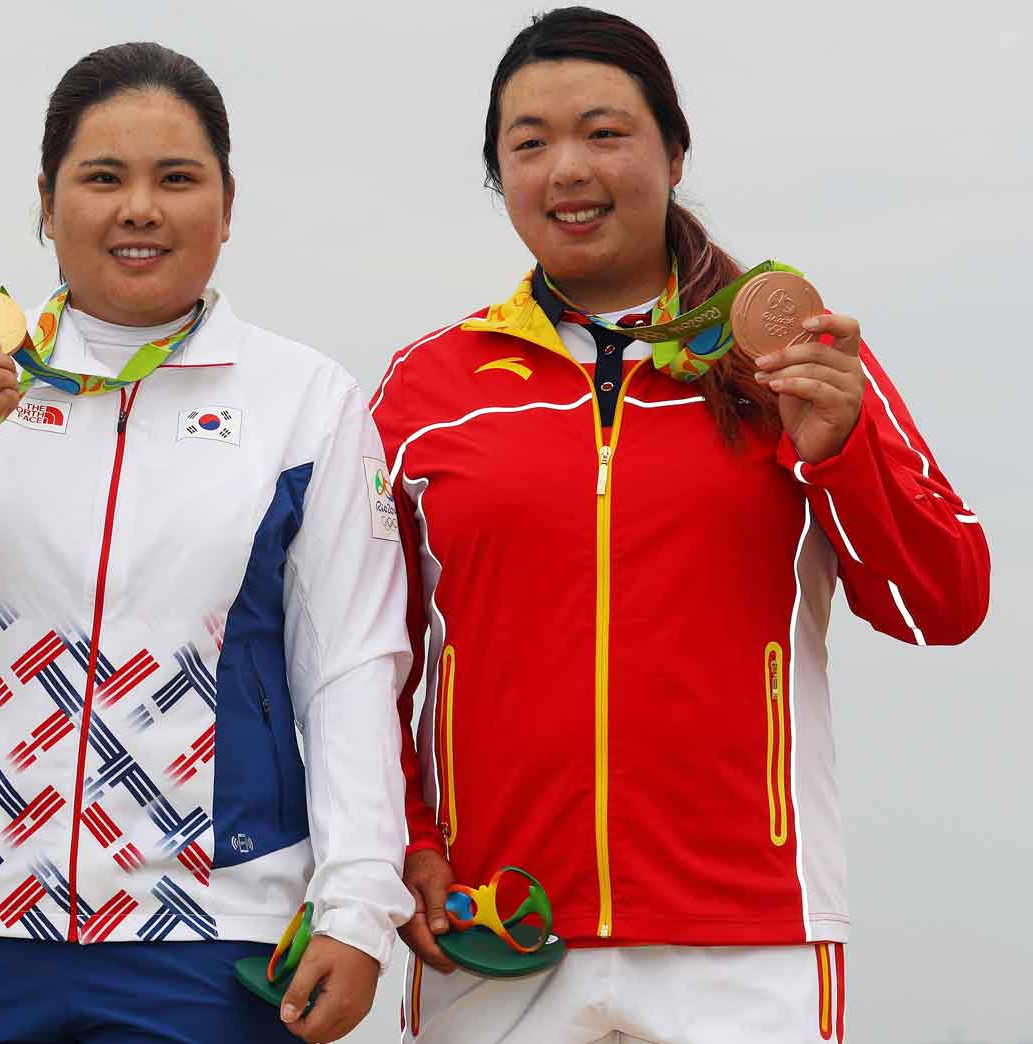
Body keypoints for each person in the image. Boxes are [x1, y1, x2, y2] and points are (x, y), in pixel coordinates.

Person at [370, 8, 991, 1042]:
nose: (567, 168)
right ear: (497, 175)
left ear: (672, 148)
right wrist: (412, 839)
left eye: (604, 132)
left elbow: (940, 606)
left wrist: (839, 449)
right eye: (528, 144)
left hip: (747, 939)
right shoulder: (427, 389)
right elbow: (367, 655)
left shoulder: (794, 356)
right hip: (498, 929)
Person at [0, 41, 413, 1044]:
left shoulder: (302, 401)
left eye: (175, 179)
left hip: (214, 932)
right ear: (46, 206)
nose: (138, 207)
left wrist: (360, 906)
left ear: (226, 208)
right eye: (102, 177)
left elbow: (351, 669)